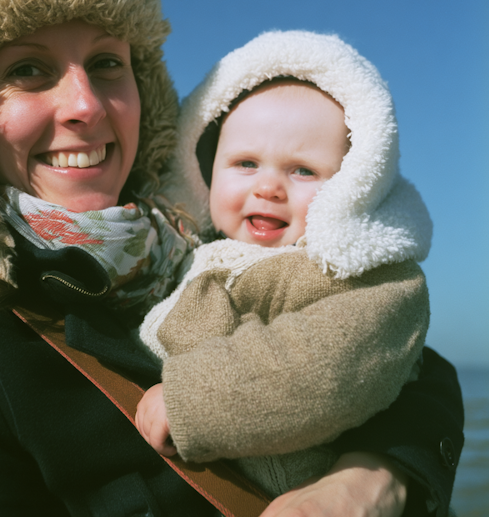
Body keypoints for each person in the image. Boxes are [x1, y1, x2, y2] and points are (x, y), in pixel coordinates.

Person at [0, 0, 462, 516]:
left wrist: (375, 475)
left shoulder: (170, 245)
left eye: (106, 63)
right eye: (28, 69)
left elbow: (394, 349)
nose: (86, 105)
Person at [136, 32, 432, 497]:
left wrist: (192, 399)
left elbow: (328, 364)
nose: (268, 187)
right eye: (246, 163)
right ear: (205, 171)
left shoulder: (362, 278)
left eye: (303, 170)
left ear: (354, 185)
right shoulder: (176, 251)